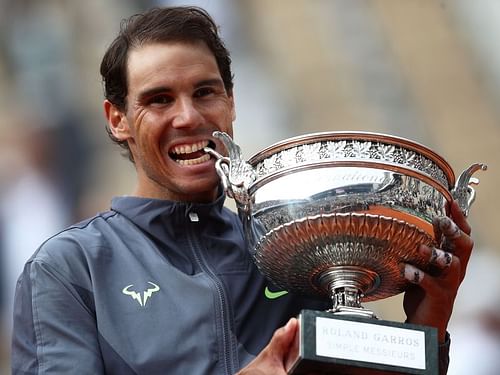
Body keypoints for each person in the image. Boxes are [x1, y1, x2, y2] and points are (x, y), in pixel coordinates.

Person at [11, 6, 474, 375]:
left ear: (231, 103)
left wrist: (429, 326)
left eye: (205, 92)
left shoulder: (293, 251)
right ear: (118, 121)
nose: (188, 117)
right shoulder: (71, 268)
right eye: (159, 99)